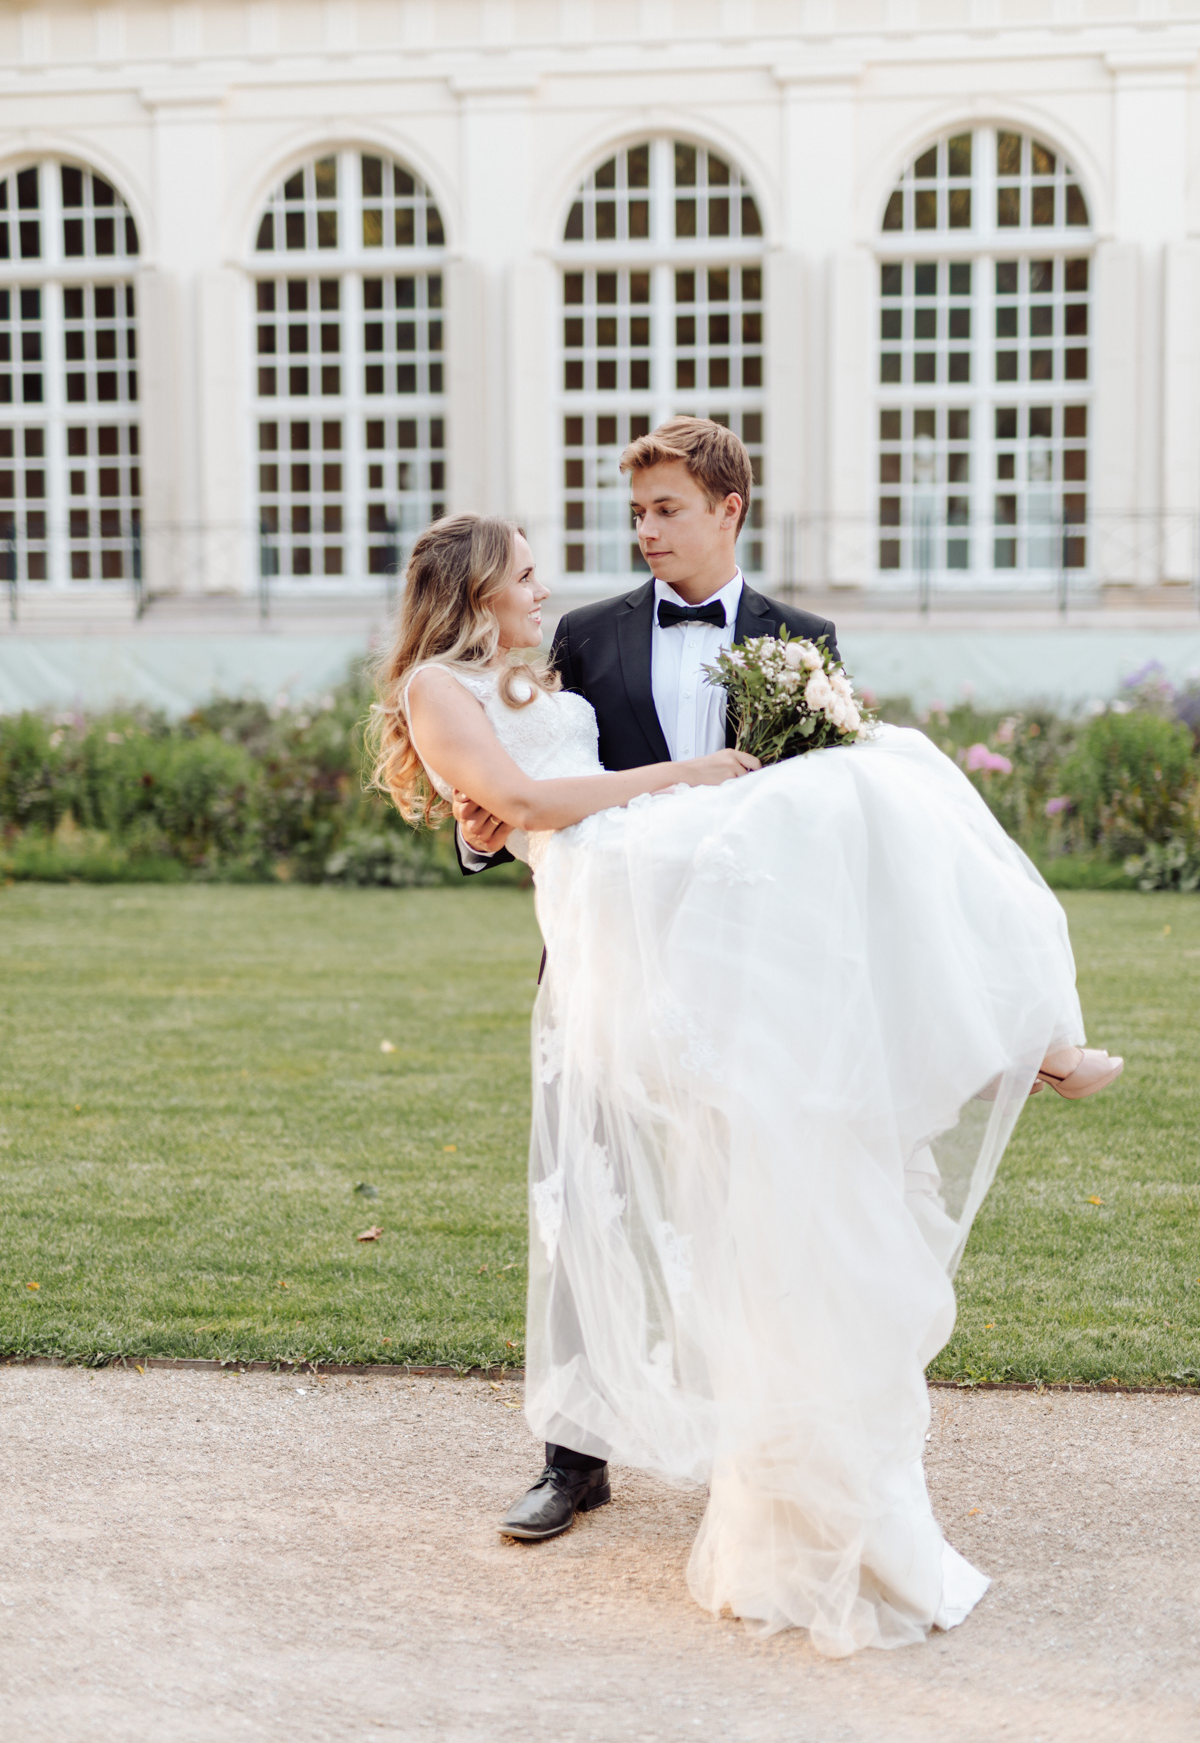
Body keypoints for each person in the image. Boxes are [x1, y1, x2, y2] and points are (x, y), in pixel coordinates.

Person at [368, 423, 1122, 1656]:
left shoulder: (799, 640)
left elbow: (820, 846)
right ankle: (572, 1464)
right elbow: (511, 785)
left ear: (728, 508)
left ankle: (1015, 1035)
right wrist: (493, 823)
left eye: (666, 509)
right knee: (593, 1197)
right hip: (628, 931)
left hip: (756, 965)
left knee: (772, 1183)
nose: (644, 534)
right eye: (637, 514)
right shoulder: (583, 638)